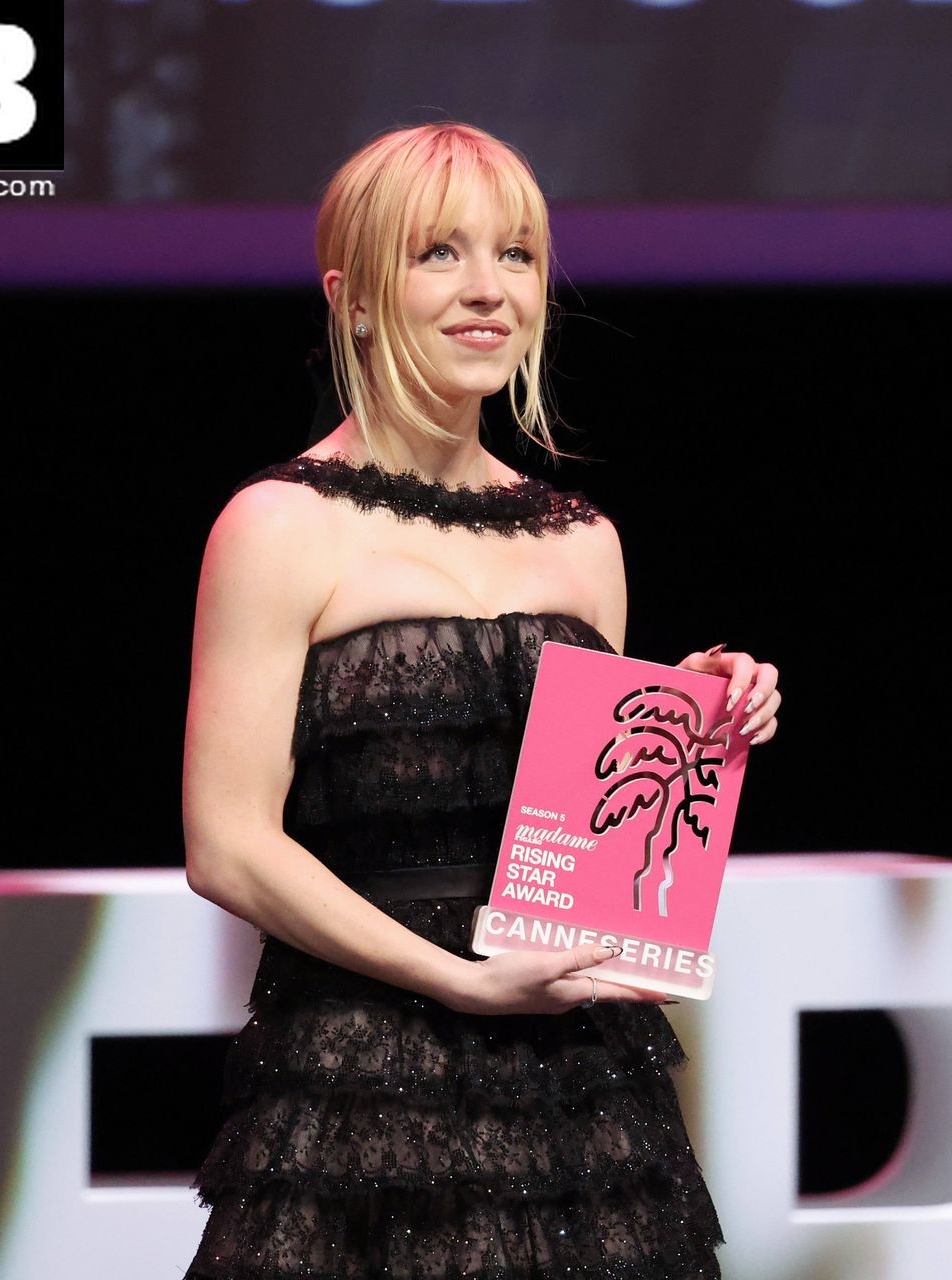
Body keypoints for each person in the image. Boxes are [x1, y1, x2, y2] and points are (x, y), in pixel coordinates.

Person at [179, 121, 782, 1279]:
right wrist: (462, 980)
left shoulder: (582, 539)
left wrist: (693, 712)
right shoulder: (277, 528)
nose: (488, 290)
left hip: (577, 1085)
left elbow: (592, 843)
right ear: (354, 298)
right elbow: (228, 844)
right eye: (439, 253)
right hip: (364, 1079)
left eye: (517, 255)